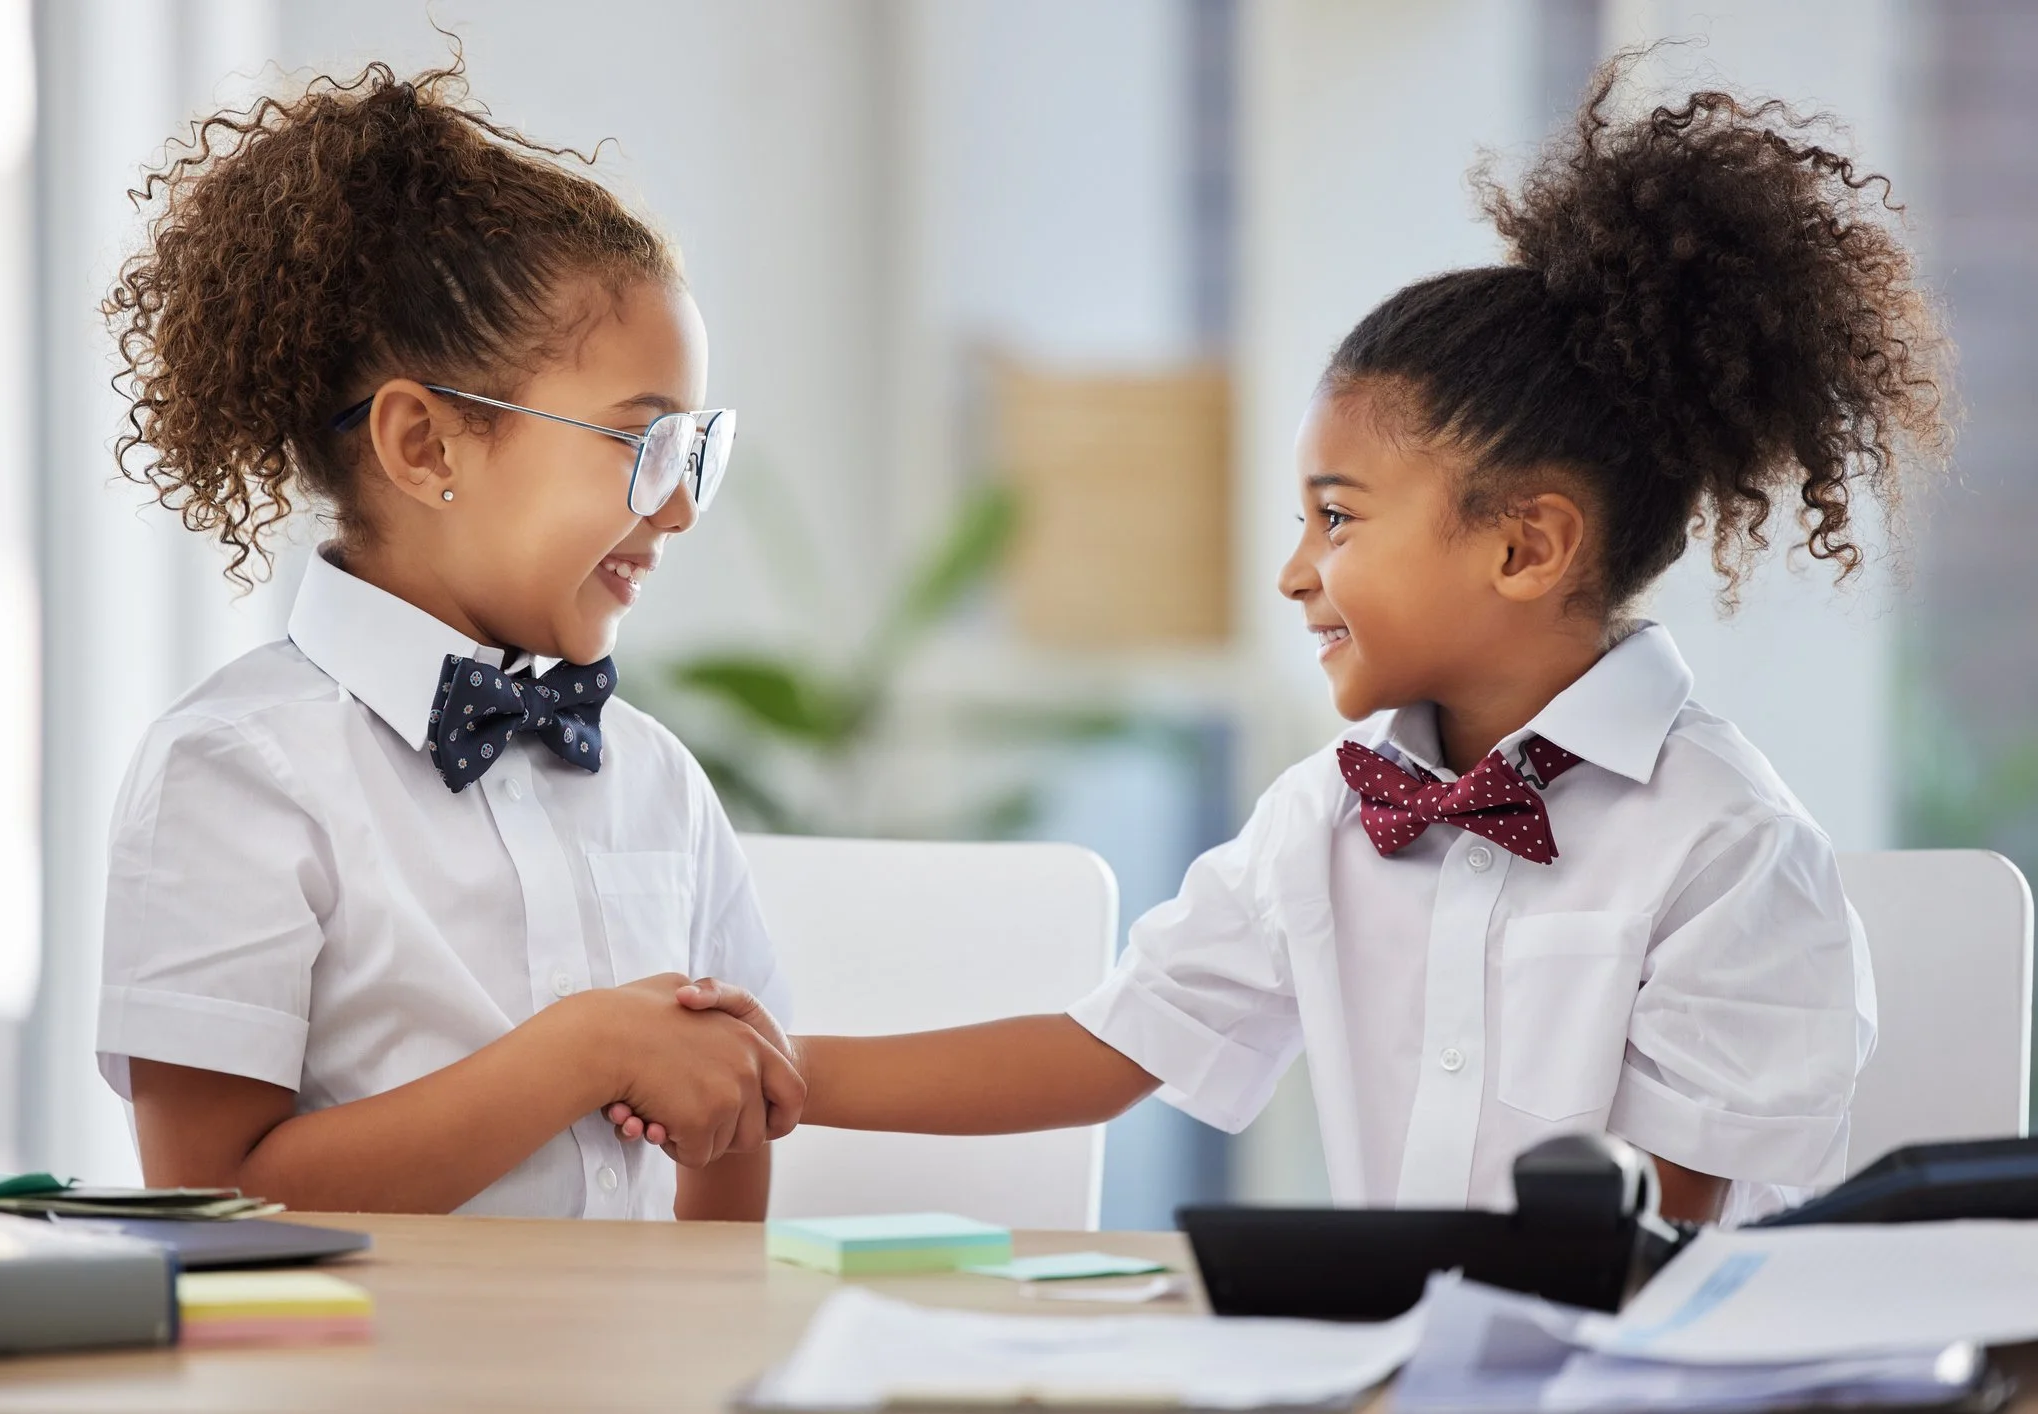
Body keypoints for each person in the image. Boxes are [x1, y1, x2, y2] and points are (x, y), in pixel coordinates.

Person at [613, 61, 1953, 1225]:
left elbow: (1656, 1229)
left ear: (1527, 546)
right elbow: (1109, 1046)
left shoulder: (1723, 847)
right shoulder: (1324, 814)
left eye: (1338, 518)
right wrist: (781, 1065)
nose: (1295, 572)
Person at [95, 60, 801, 1220]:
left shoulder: (658, 781)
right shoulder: (234, 775)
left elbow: (734, 1114)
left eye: (694, 451)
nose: (676, 507)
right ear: (424, 447)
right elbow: (212, 1198)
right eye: (641, 446)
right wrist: (579, 1053)